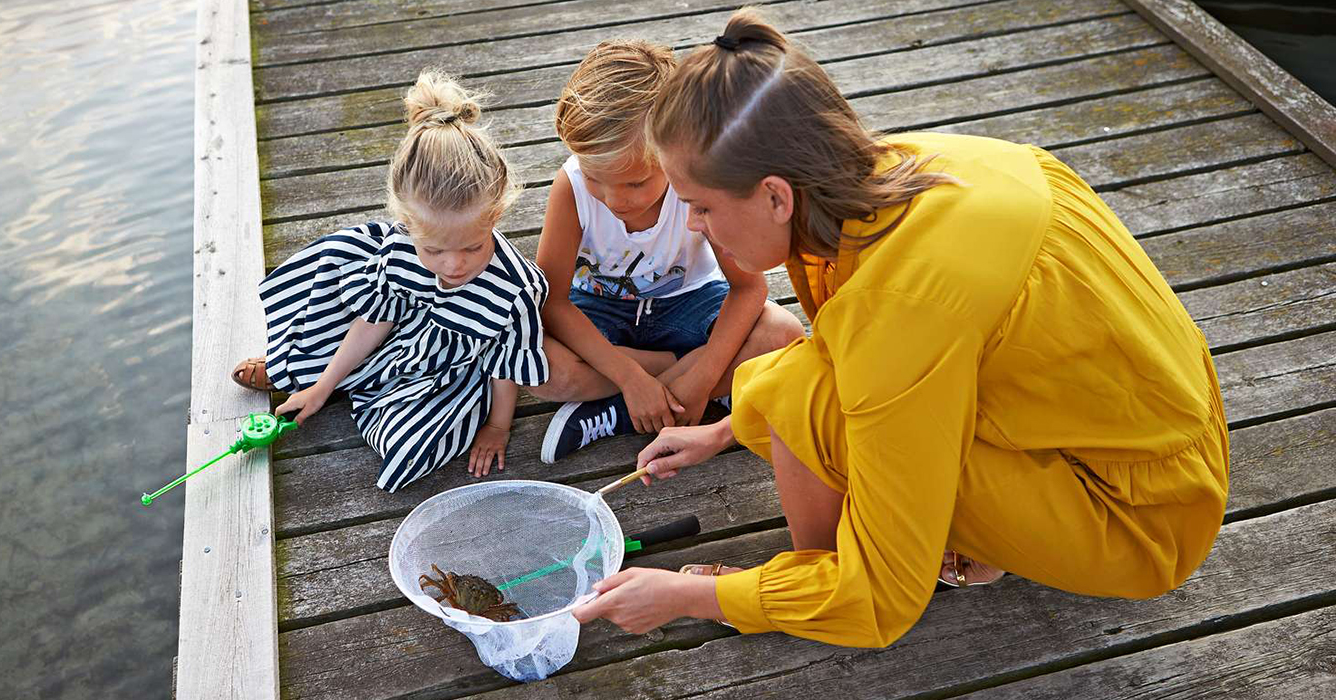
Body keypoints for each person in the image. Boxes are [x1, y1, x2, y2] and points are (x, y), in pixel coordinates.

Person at [573, 9, 1230, 647]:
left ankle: (810, 584)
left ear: (775, 196)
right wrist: (723, 430)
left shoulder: (901, 308)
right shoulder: (906, 165)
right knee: (788, 381)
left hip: (1138, 524)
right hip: (1170, 457)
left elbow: (880, 599)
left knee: (793, 394)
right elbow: (854, 350)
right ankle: (964, 545)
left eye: (699, 206)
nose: (692, 226)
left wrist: (688, 597)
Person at [228, 70, 550, 492]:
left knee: (412, 443)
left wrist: (497, 426)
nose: (454, 265)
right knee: (335, 277)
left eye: (472, 247)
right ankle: (301, 372)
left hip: (449, 363)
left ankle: (345, 384)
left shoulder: (514, 289)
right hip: (400, 330)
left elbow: (504, 367)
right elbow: (373, 320)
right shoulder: (400, 247)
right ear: (407, 224)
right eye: (433, 250)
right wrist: (323, 387)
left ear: (496, 215)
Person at [528, 40, 805, 464]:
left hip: (687, 304)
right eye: (595, 179)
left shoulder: (695, 183)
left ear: (671, 153)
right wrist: (631, 377)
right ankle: (668, 387)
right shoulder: (571, 187)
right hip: (601, 312)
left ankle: (618, 413)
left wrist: (702, 379)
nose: (614, 199)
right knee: (537, 364)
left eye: (635, 183)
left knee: (782, 333)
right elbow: (553, 301)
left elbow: (749, 288)